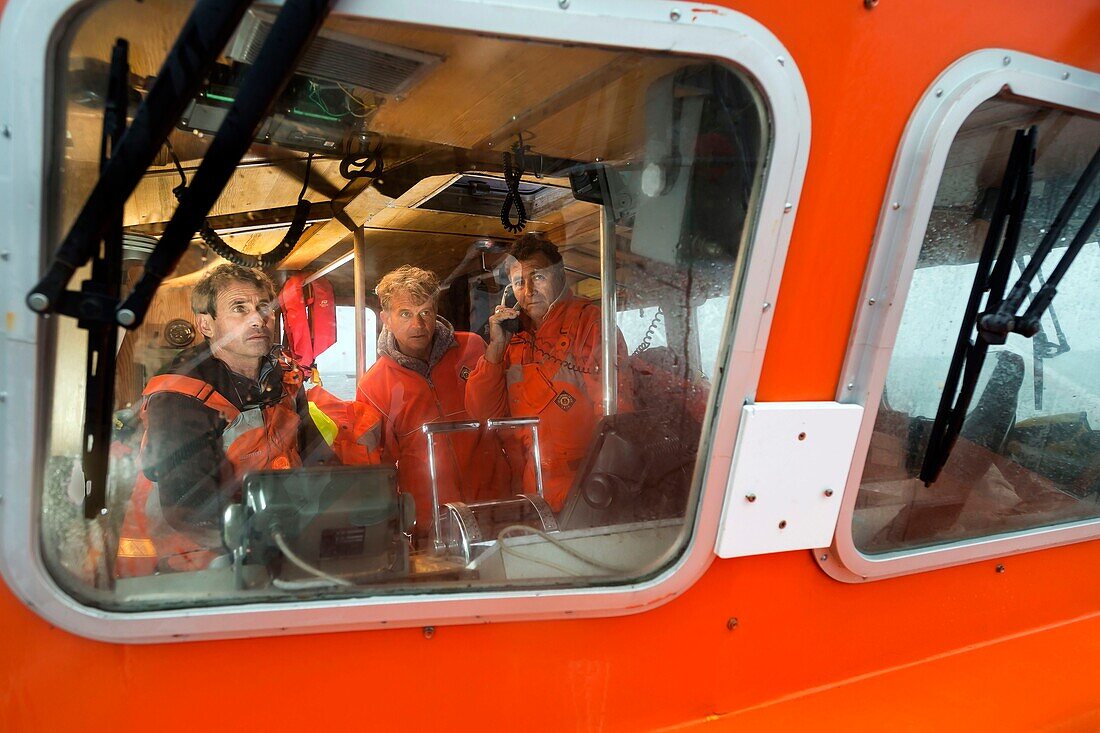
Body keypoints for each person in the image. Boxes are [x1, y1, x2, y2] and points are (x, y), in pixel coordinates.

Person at [116, 264, 333, 577]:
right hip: (192, 563)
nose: (258, 319)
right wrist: (270, 542)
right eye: (239, 309)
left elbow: (321, 462)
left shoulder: (286, 381)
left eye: (264, 308)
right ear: (207, 324)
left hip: (277, 545)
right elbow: (188, 508)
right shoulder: (179, 395)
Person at [466, 233, 633, 509]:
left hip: (587, 490)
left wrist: (603, 489)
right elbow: (482, 415)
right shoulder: (510, 337)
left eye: (538, 277)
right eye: (519, 282)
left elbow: (616, 417)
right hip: (529, 494)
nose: (528, 290)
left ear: (560, 276)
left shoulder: (590, 324)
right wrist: (495, 348)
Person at [356, 265, 509, 545]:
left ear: (435, 311)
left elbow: (495, 415)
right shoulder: (373, 385)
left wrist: (496, 352)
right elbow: (382, 467)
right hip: (433, 523)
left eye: (425, 312)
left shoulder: (473, 348)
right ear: (385, 319)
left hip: (496, 506)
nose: (418, 324)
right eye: (405, 314)